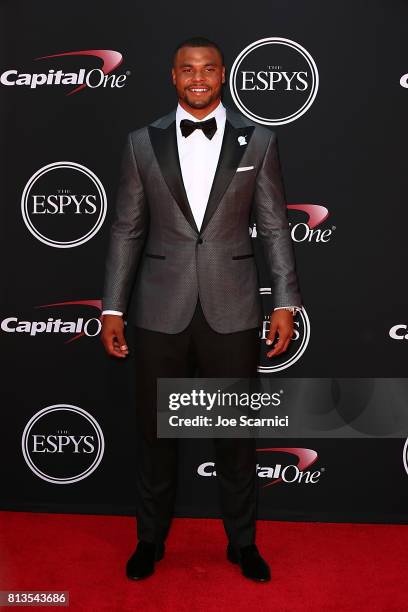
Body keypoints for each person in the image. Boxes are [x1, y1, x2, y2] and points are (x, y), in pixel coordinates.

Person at [101, 36, 302, 583]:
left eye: (208, 68)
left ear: (222, 75)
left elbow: (277, 226)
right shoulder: (142, 143)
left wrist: (285, 301)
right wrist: (112, 308)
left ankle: (242, 543)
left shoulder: (258, 140)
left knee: (235, 437)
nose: (197, 77)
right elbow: (125, 229)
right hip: (158, 310)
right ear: (172, 76)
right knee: (155, 435)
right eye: (187, 69)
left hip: (233, 308)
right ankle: (149, 540)